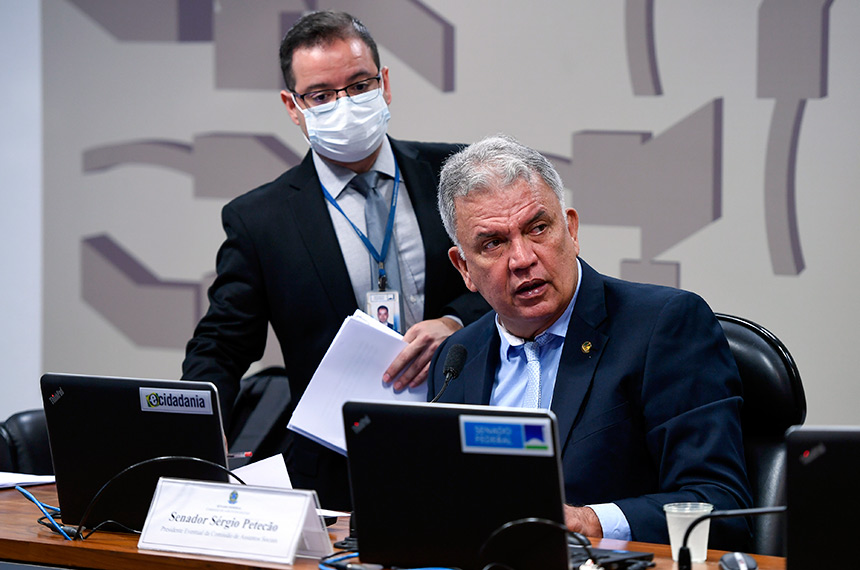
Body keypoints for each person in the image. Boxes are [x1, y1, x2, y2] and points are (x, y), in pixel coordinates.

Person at [182, 11, 488, 510]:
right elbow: (222, 344)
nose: (344, 105)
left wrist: (454, 320)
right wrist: (189, 430)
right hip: (337, 464)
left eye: (359, 84)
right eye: (321, 95)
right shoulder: (261, 219)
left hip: (463, 436)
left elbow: (514, 283)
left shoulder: (454, 174)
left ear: (385, 84)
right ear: (293, 106)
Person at [428, 135, 752, 549]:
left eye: (538, 228)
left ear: (572, 229)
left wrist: (592, 521)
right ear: (464, 268)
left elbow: (720, 505)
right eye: (494, 243)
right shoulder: (455, 360)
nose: (523, 258)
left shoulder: (663, 327)